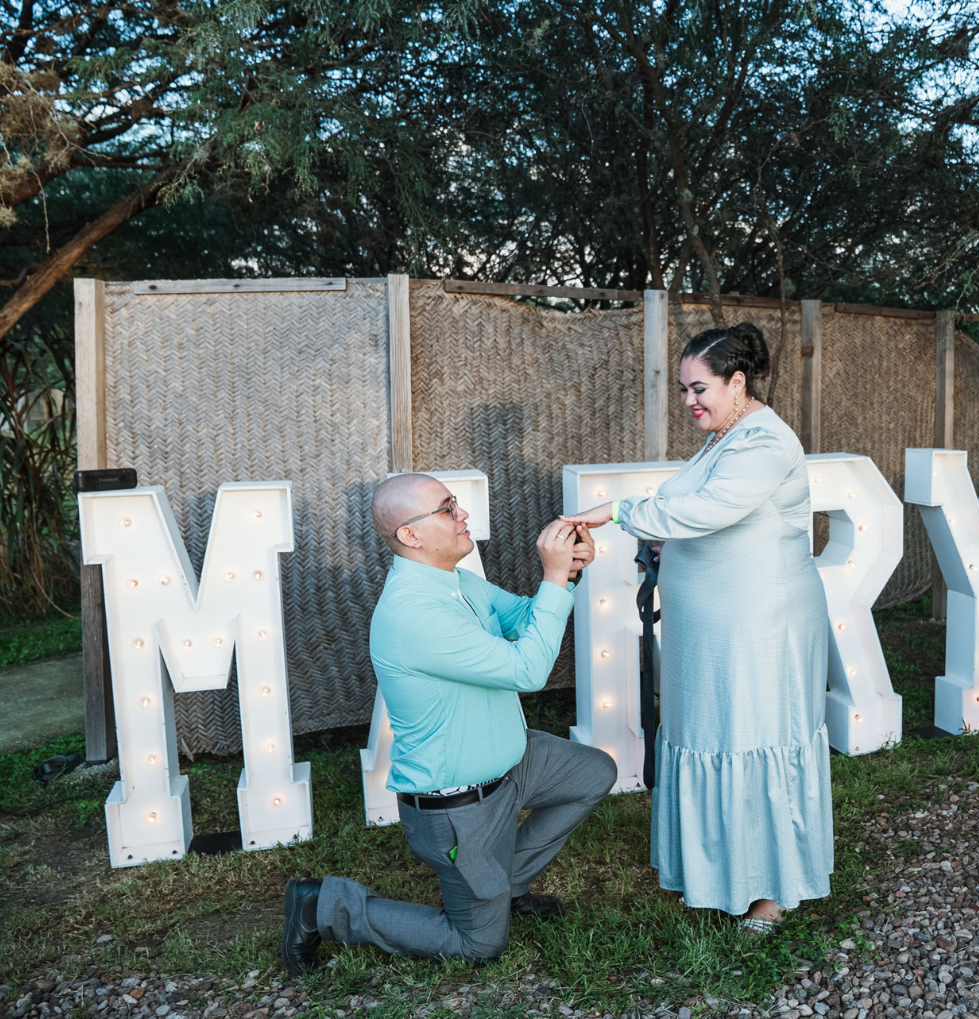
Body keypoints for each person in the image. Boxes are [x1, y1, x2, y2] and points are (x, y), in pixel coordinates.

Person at [280, 472, 617, 973]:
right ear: (411, 535)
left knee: (594, 773)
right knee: (478, 945)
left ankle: (506, 885)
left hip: (513, 761)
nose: (462, 515)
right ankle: (321, 905)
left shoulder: (456, 582)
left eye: (456, 502)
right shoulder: (414, 611)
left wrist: (565, 575)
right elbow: (527, 669)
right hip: (459, 805)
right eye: (446, 508)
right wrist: (551, 579)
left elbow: (527, 618)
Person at [562, 322, 832, 932]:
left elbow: (710, 510)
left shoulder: (765, 443)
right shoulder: (723, 438)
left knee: (752, 735)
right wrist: (657, 546)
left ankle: (769, 891)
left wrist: (621, 512)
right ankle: (718, 872)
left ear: (738, 382)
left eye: (698, 388)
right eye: (683, 390)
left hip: (758, 628)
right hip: (710, 630)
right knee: (712, 735)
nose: (689, 402)